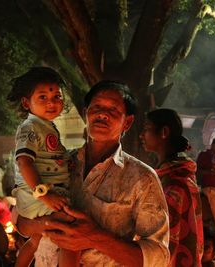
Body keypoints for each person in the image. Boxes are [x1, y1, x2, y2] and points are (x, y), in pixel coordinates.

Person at [19, 80, 170, 266]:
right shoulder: (59, 163)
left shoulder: (142, 178)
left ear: (127, 122)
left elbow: (159, 258)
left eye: (113, 110)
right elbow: (22, 223)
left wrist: (94, 237)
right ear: (86, 113)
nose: (102, 114)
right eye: (96, 107)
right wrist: (46, 224)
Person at [7, 66, 76, 266]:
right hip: (37, 196)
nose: (52, 103)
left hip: (41, 196)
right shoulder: (30, 127)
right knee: (70, 228)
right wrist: (44, 195)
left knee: (35, 239)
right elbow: (24, 162)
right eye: (43, 97)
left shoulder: (46, 126)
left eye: (57, 96)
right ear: (26, 103)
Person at [140, 108, 203, 266]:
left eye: (147, 129)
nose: (141, 135)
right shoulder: (177, 174)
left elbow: (164, 241)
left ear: (164, 132)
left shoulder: (175, 184)